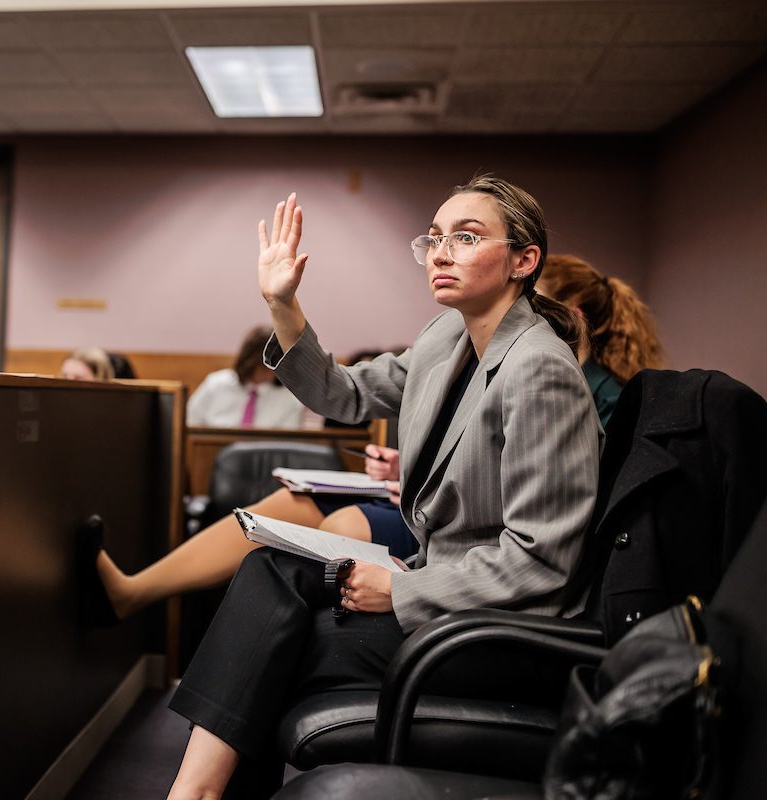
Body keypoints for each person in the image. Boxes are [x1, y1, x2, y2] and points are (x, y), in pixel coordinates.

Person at [164, 178, 602, 800]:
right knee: (269, 570)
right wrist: (283, 302)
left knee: (278, 646)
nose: (442, 252)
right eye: (436, 238)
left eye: (467, 237)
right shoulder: (446, 338)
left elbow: (540, 561)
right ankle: (196, 795)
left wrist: (402, 588)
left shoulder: (539, 369)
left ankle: (193, 795)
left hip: (502, 631)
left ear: (523, 261)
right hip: (449, 594)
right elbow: (340, 394)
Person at [537, 254, 664, 427]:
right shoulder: (545, 380)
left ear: (572, 316)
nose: (525, 314)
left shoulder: (611, 400)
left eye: (535, 304)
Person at [187, 326, 322, 429]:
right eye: (265, 366)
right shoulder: (215, 384)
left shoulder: (289, 398)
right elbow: (189, 422)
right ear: (250, 361)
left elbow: (288, 443)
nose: (272, 372)